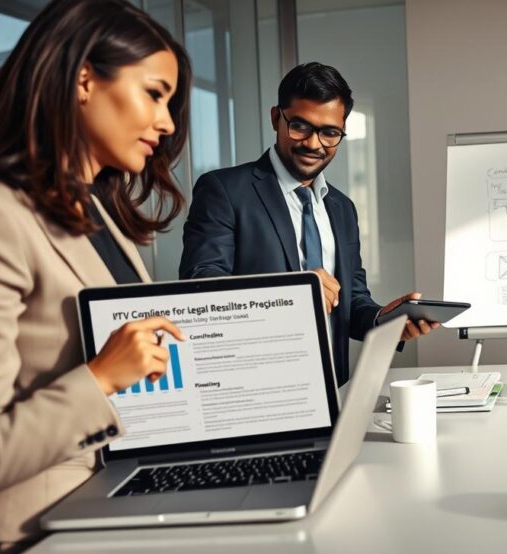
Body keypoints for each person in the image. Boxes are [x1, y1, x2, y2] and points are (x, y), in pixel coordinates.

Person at [0, 1, 191, 554]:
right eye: (155, 94)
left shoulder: (97, 212)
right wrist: (101, 376)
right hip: (30, 542)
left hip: (114, 504)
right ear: (85, 79)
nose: (166, 123)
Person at [179, 62, 436, 386]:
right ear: (276, 118)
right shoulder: (224, 191)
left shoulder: (342, 208)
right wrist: (293, 294)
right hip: (256, 391)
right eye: (300, 126)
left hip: (333, 388)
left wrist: (386, 319)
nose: (314, 144)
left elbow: (350, 300)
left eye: (330, 132)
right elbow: (200, 288)